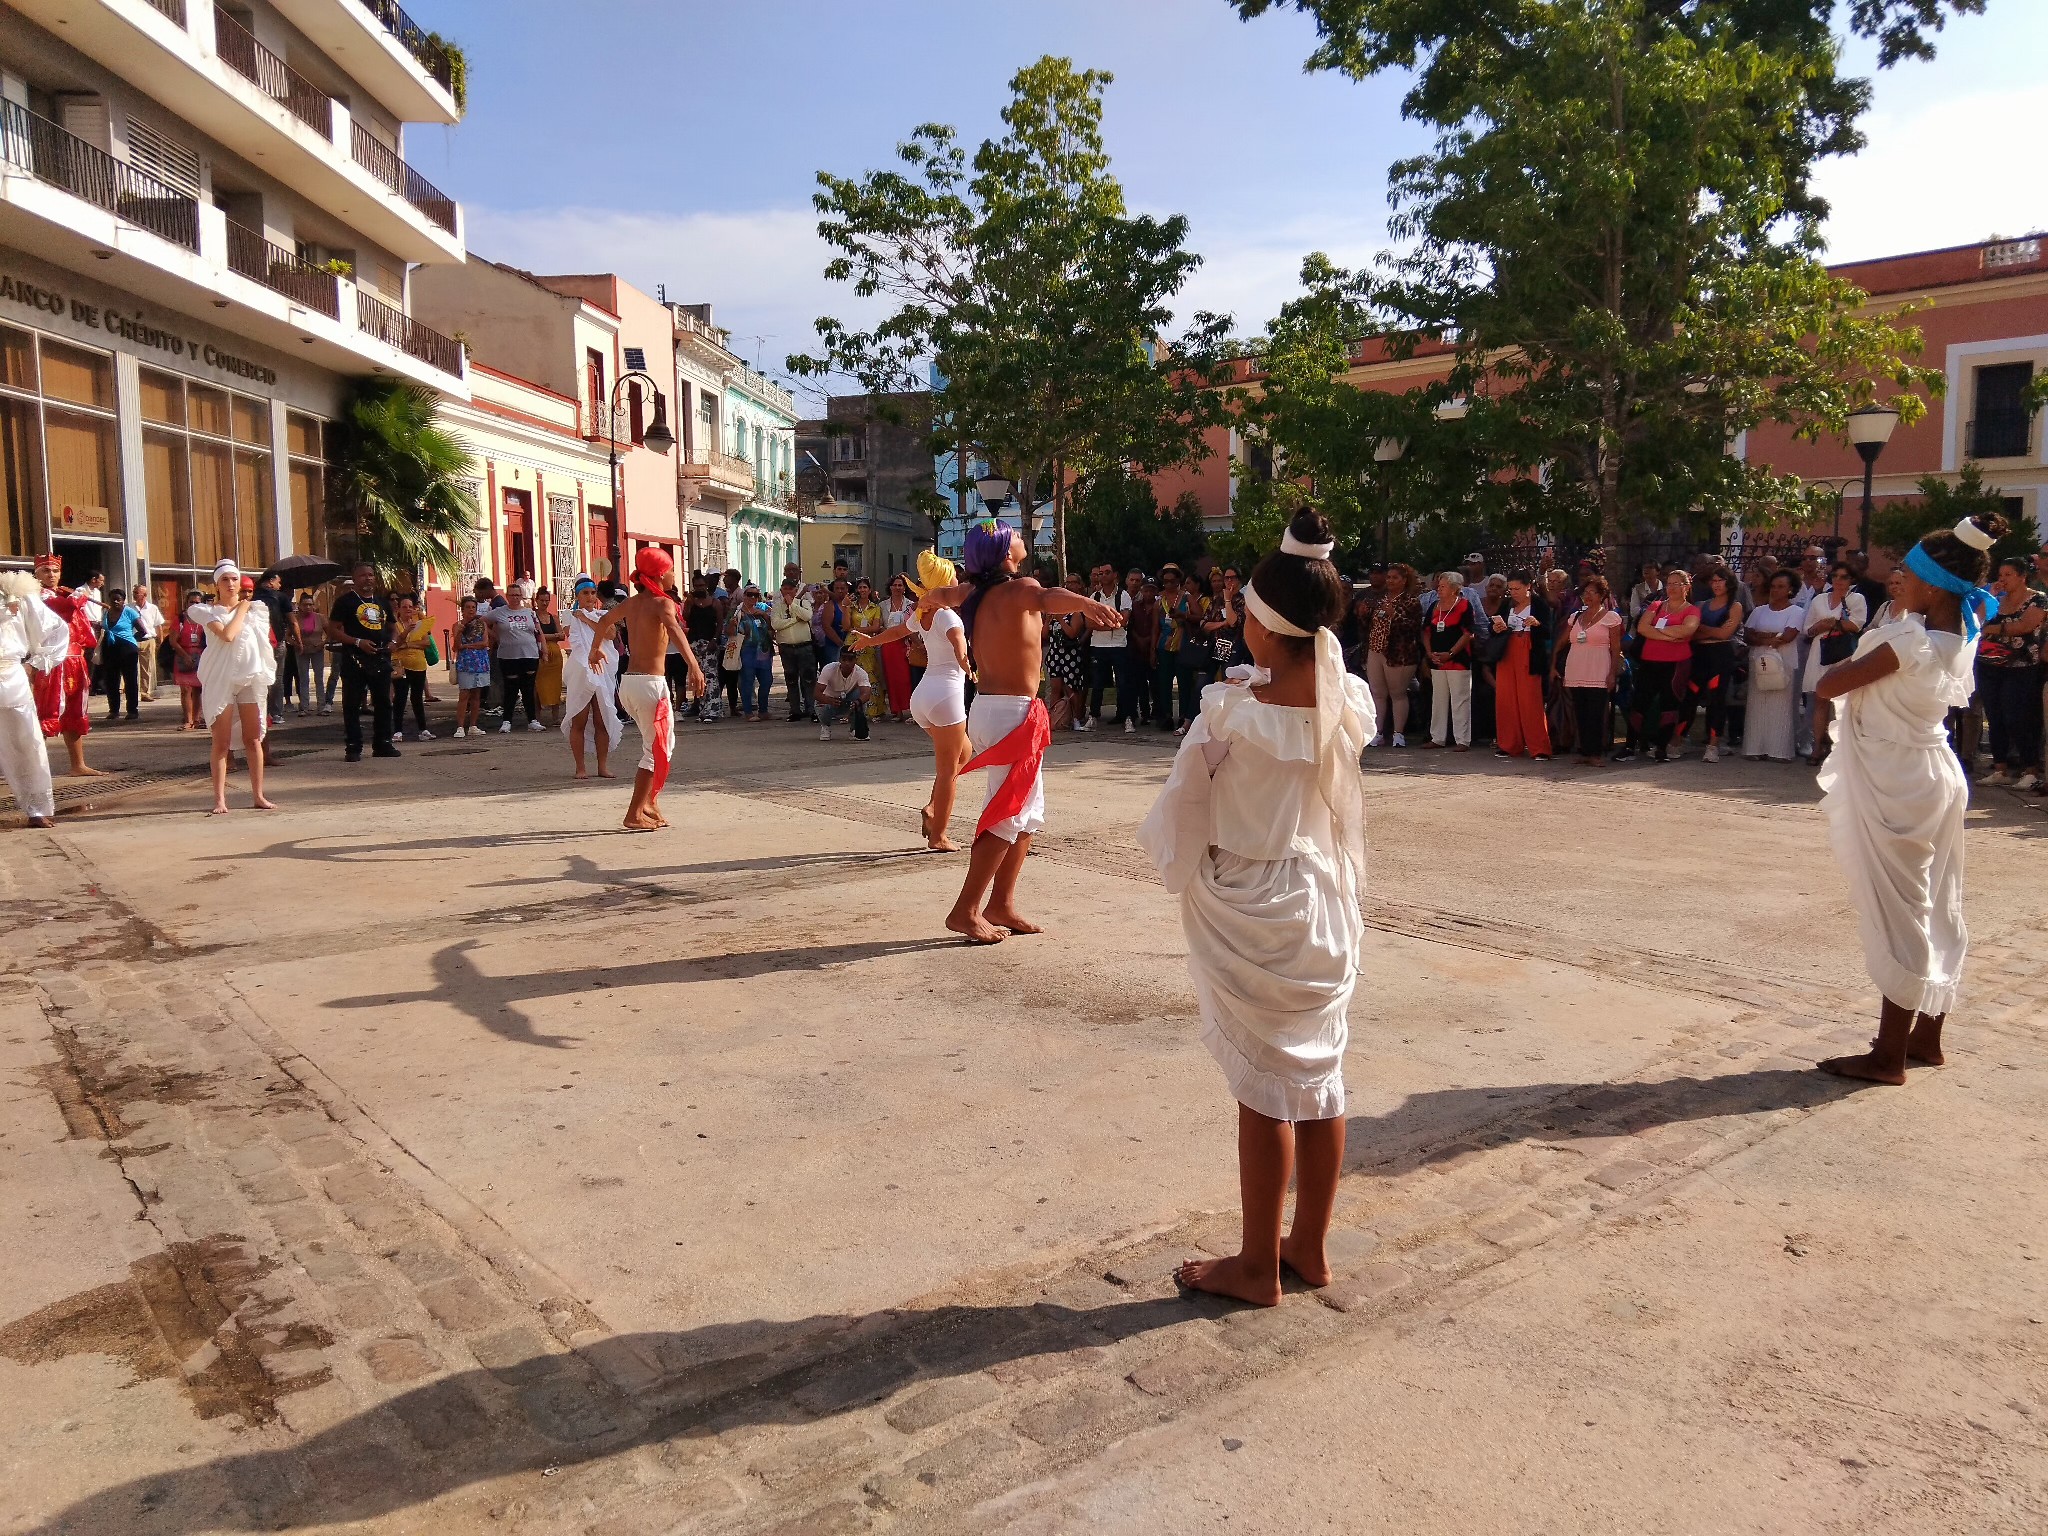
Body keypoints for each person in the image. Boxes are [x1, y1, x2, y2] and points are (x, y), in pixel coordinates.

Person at [1137, 507, 1372, 1308]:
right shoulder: (1353, 705)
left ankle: (1255, 1266)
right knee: (1322, 1077)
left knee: (1265, 1090)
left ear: (1264, 629)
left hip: (1254, 900)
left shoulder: (1227, 711)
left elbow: (1181, 807)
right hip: (1321, 895)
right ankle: (1307, 1245)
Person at [1816, 514, 2007, 1086]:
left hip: (1902, 778)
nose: (1896, 579)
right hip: (1935, 771)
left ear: (1933, 585)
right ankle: (1927, 1038)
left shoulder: (1908, 639)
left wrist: (1870, 644)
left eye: (1907, 571)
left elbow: (1830, 684)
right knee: (1937, 900)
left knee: (1902, 909)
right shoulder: (1962, 630)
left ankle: (1888, 1054)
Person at [920, 519, 1121, 943]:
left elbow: (939, 595)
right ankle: (966, 910)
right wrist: (1085, 602)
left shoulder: (972, 593)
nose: (1019, 537)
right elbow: (1049, 597)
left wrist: (926, 603)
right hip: (1011, 714)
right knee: (1007, 815)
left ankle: (1001, 904)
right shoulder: (1020, 588)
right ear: (1005, 553)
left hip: (997, 711)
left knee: (1027, 814)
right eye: (1013, 535)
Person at [847, 551, 973, 850]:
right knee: (947, 773)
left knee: (964, 754)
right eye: (955, 580)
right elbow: (958, 644)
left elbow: (896, 631)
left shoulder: (923, 613)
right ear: (944, 584)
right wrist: (968, 665)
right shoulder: (947, 615)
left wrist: (869, 641)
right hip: (946, 696)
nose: (958, 584)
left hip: (924, 697)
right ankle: (939, 835)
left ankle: (932, 807)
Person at [586, 547, 701, 831]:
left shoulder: (633, 603)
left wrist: (594, 650)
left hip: (629, 684)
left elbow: (603, 621)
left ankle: (649, 803)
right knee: (657, 749)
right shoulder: (663, 603)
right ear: (662, 575)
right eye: (673, 570)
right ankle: (635, 812)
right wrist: (694, 667)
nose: (676, 574)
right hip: (650, 685)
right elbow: (675, 632)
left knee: (657, 745)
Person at [195, 561, 278, 814]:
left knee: (254, 739)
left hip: (249, 678)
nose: (231, 584)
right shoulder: (204, 611)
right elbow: (228, 635)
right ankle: (220, 799)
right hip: (221, 679)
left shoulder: (257, 610)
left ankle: (258, 795)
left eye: (234, 579)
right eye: (225, 580)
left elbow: (263, 643)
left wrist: (246, 608)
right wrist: (242, 608)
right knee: (221, 742)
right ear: (216, 585)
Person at [0, 571, 68, 826]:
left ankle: (37, 809)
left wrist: (35, 663)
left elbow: (57, 629)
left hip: (11, 677)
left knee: (26, 743)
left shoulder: (17, 591)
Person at [1975, 556, 2045, 788]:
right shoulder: (1998, 599)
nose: (2002, 579)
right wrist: (1991, 595)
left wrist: (1996, 628)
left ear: (2022, 576)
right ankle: (2000, 768)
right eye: (2001, 574)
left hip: (2021, 666)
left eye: (2008, 575)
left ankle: (2030, 768)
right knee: (1994, 717)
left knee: (2017, 716)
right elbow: (1979, 621)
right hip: (1990, 664)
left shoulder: (2038, 599)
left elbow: (2025, 626)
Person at [31, 555, 99, 777]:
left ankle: (78, 764)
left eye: (55, 571)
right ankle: (33, 768)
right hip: (53, 662)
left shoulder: (62, 593)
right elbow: (66, 607)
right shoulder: (37, 597)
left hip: (76, 660)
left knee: (74, 711)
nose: (51, 575)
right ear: (37, 574)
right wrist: (80, 595)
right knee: (45, 711)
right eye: (46, 571)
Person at [1627, 568, 1700, 764]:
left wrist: (1658, 632)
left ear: (1686, 587)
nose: (1672, 588)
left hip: (1676, 664)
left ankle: (1661, 748)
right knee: (1640, 702)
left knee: (1670, 704)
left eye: (1677, 584)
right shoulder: (1657, 605)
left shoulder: (1692, 610)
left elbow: (1687, 630)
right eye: (1669, 583)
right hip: (1650, 661)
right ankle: (1629, 746)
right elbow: (1642, 628)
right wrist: (1670, 634)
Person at [327, 563, 396, 761]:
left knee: (383, 701)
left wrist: (392, 642)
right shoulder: (345, 602)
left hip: (380, 657)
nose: (368, 579)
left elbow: (393, 627)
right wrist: (357, 642)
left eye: (371, 575)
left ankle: (383, 743)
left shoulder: (382, 602)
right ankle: (353, 746)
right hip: (354, 658)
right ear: (355, 579)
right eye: (364, 575)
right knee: (352, 703)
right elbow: (333, 629)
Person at [1802, 561, 1867, 765]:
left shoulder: (1856, 599)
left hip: (1842, 653)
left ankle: (1840, 749)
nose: (1839, 580)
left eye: (1844, 576)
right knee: (1820, 701)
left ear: (1851, 579)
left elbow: (1856, 625)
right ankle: (1816, 747)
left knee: (1842, 704)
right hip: (1820, 651)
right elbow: (1807, 628)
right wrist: (1822, 624)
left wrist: (1834, 623)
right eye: (1836, 576)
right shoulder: (1819, 599)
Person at [1557, 574, 1623, 766]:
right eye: (1586, 592)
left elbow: (1616, 647)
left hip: (1599, 668)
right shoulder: (1576, 616)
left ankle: (1596, 752)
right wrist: (1554, 661)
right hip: (1577, 667)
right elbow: (1563, 641)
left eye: (1593, 592)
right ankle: (1584, 750)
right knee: (1580, 711)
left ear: (1602, 595)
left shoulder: (1611, 617)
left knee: (1596, 712)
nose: (1588, 596)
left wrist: (1612, 673)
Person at [1684, 568, 1746, 763]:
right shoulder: (1702, 605)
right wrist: (1710, 631)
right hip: (1700, 655)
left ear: (1729, 583)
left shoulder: (1734, 606)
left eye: (1721, 580)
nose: (1717, 584)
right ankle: (1677, 740)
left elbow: (1723, 635)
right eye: (1714, 580)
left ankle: (1713, 745)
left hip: (1721, 656)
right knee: (1690, 695)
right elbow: (1692, 633)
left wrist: (1702, 629)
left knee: (1716, 699)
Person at [1490, 571, 1554, 760]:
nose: (1513, 592)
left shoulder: (1539, 604)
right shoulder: (1506, 604)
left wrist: (1536, 624)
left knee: (1530, 701)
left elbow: (1548, 632)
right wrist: (1496, 628)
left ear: (1529, 586)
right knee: (1506, 699)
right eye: (1510, 589)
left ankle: (1539, 747)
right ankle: (1509, 745)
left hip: (1529, 653)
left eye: (1517, 588)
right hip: (1507, 652)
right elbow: (1492, 626)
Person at [1741, 571, 1804, 762]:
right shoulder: (1759, 611)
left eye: (1781, 586)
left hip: (1784, 663)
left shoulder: (1797, 612)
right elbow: (1748, 635)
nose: (1776, 590)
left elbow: (1787, 637)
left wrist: (1762, 637)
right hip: (1759, 662)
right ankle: (1754, 748)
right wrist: (1771, 637)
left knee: (1781, 706)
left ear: (1790, 589)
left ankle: (1780, 751)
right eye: (1774, 586)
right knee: (1757, 705)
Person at [560, 577, 620, 777]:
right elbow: (570, 635)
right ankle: (581, 768)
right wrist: (580, 616)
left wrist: (587, 618)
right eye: (585, 593)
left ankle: (602, 766)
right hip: (581, 670)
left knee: (601, 720)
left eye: (593, 593)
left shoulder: (603, 614)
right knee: (580, 719)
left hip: (602, 671)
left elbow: (610, 634)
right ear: (578, 595)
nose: (590, 597)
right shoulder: (570, 616)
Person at [1365, 563, 1422, 747]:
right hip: (1376, 649)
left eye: (1394, 577)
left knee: (1397, 694)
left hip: (1399, 654)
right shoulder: (1380, 599)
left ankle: (1398, 733)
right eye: (1388, 577)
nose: (1390, 580)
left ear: (1404, 580)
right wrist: (1363, 614)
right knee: (1377, 693)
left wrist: (1395, 615)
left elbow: (1414, 628)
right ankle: (1378, 732)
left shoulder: (1411, 601)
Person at [1421, 572, 1476, 750]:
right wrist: (1430, 653)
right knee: (1438, 699)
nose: (1438, 589)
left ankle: (1462, 740)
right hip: (1437, 660)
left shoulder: (1465, 605)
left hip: (1457, 660)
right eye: (1438, 585)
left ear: (1454, 589)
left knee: (1460, 699)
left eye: (1443, 586)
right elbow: (1426, 631)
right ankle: (1437, 737)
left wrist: (1450, 653)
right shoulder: (1434, 606)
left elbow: (1468, 633)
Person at [490, 582, 544, 733]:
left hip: (529, 655)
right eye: (512, 595)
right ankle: (507, 721)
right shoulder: (499, 612)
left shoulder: (530, 613)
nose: (515, 598)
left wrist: (543, 650)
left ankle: (532, 720)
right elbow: (482, 622)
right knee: (510, 689)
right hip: (508, 657)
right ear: (507, 596)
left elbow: (538, 632)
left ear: (521, 596)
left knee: (528, 688)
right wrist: (495, 636)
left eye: (517, 595)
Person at [1045, 572, 1089, 730]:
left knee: (1071, 687)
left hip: (1070, 654)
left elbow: (1072, 633)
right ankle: (1053, 718)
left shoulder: (1075, 613)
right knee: (1056, 687)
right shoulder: (1055, 612)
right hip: (1055, 653)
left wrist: (1060, 620)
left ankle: (1077, 719)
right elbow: (1044, 634)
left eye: (1072, 583)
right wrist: (1049, 620)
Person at [770, 578, 816, 721]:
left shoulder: (804, 603)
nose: (788, 592)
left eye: (791, 589)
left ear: (796, 591)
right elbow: (776, 624)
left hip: (804, 647)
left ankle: (812, 709)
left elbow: (808, 616)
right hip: (786, 648)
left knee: (808, 679)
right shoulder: (777, 606)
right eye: (785, 589)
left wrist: (793, 605)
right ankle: (795, 710)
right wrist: (795, 620)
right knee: (791, 679)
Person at [388, 595, 433, 742]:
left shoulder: (419, 623)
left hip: (418, 664)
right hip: (401, 665)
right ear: (399, 609)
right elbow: (395, 644)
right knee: (400, 697)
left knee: (417, 697)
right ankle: (398, 731)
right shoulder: (395, 625)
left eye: (410, 606)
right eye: (404, 606)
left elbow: (426, 643)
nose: (408, 609)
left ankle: (423, 729)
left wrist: (408, 645)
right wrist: (406, 632)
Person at [683, 575, 726, 724]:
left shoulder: (715, 603)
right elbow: (685, 618)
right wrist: (688, 603)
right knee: (698, 677)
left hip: (710, 643)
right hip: (694, 643)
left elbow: (720, 623)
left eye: (702, 585)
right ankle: (702, 709)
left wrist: (715, 639)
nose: (699, 588)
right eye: (697, 586)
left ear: (706, 585)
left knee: (711, 676)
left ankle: (713, 709)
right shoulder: (691, 602)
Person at [450, 596, 491, 740]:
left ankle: (473, 725)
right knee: (464, 695)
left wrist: (467, 646)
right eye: (468, 607)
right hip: (466, 663)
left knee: (476, 695)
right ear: (462, 609)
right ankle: (460, 727)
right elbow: (456, 647)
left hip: (480, 662)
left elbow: (485, 643)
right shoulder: (457, 625)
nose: (471, 610)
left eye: (473, 607)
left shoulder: (481, 624)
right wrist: (460, 632)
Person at [97, 587, 142, 722]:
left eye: (119, 600)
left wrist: (131, 640)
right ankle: (114, 710)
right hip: (110, 649)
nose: (116, 602)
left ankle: (132, 710)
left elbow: (143, 631)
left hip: (127, 649)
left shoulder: (130, 612)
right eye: (113, 599)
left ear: (124, 601)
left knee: (130, 681)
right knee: (111, 681)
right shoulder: (106, 612)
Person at [876, 573, 916, 722]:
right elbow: (879, 625)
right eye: (895, 585)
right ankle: (896, 711)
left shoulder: (910, 604)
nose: (898, 588)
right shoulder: (882, 605)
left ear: (904, 588)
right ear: (890, 587)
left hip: (905, 644)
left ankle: (911, 710)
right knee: (891, 678)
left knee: (906, 678)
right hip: (888, 645)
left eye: (900, 585)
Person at [733, 584, 775, 722]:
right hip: (747, 651)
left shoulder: (762, 609)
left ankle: (763, 710)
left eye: (755, 595)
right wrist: (735, 625)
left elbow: (771, 628)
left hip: (763, 650)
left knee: (767, 681)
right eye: (749, 594)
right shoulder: (737, 611)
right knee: (747, 681)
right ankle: (748, 712)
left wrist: (765, 616)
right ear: (744, 595)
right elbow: (728, 630)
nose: (752, 597)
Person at [814, 650, 872, 741]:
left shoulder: (861, 672)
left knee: (861, 700)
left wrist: (858, 702)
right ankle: (825, 726)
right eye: (844, 659)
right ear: (839, 660)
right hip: (830, 700)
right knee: (820, 704)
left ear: (855, 660)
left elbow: (866, 693)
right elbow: (816, 693)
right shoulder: (829, 669)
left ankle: (855, 729)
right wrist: (829, 700)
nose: (847, 663)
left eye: (850, 660)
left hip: (848, 700)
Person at [290, 592, 330, 715]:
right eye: (305, 604)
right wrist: (297, 644)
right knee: (303, 679)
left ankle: (321, 706)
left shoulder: (320, 617)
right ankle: (304, 707)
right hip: (302, 651)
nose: (308, 607)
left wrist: (323, 643)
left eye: (310, 604)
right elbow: (287, 637)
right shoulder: (295, 619)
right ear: (300, 606)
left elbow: (330, 633)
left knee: (319, 678)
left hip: (317, 650)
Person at [535, 587, 566, 728]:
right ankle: (537, 717)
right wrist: (553, 636)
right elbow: (535, 635)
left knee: (555, 685)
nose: (544, 603)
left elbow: (562, 635)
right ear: (537, 600)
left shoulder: (553, 617)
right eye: (542, 600)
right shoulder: (533, 616)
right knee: (538, 686)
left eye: (547, 601)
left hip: (555, 655)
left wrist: (545, 636)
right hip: (540, 653)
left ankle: (555, 717)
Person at [131, 584, 164, 704]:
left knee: (147, 668)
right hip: (132, 640)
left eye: (136, 593)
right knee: (131, 667)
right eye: (134, 592)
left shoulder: (152, 608)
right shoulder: (129, 607)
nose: (134, 595)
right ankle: (131, 692)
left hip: (148, 640)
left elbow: (158, 625)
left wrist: (160, 640)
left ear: (144, 595)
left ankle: (145, 692)